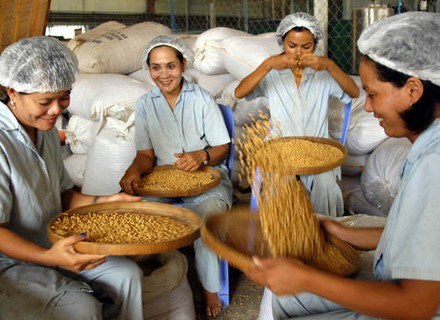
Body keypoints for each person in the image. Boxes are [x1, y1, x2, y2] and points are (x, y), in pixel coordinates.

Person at [247, 11, 440, 319]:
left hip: (407, 308)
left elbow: (417, 305)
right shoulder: (425, 147)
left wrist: (307, 278)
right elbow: (415, 234)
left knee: (291, 293)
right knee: (280, 298)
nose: (369, 106)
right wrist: (344, 232)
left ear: (413, 91)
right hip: (392, 285)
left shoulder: (434, 165)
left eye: (373, 94)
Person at [0, 36, 144, 319]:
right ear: (12, 92)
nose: (56, 110)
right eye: (45, 101)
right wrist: (47, 257)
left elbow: (63, 195)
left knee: (127, 275)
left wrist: (107, 201)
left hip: (53, 242)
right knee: (80, 307)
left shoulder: (45, 131)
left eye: (63, 97)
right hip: (10, 262)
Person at [119, 34, 233, 317]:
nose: (164, 74)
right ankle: (143, 277)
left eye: (170, 66)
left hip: (208, 178)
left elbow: (222, 147)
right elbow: (145, 156)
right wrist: (133, 170)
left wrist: (202, 156)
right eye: (156, 67)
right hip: (162, 181)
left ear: (183, 65)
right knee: (137, 213)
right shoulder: (146, 104)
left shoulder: (202, 98)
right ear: (149, 70)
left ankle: (209, 289)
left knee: (209, 220)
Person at [233, 12, 359, 217]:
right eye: (292, 46)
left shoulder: (323, 74)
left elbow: (353, 93)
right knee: (279, 185)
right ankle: (283, 237)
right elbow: (239, 93)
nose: (298, 53)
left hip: (317, 150)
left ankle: (326, 234)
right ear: (282, 43)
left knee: (326, 184)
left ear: (315, 45)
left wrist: (330, 65)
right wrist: (267, 65)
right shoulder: (272, 73)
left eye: (306, 47)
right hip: (280, 150)